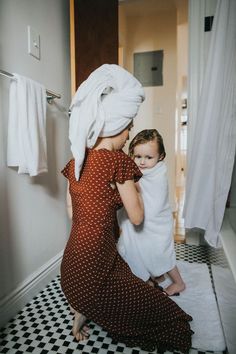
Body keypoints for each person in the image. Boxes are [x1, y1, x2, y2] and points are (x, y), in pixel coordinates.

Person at [61, 64, 193, 353]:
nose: (130, 132)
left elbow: (74, 212)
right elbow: (136, 217)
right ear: (118, 126)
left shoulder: (75, 163)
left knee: (126, 278)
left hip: (70, 272)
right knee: (170, 316)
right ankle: (93, 302)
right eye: (130, 125)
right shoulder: (117, 162)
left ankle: (84, 307)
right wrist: (134, 193)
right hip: (95, 270)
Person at [117, 129, 186, 296]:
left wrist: (134, 186)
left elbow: (154, 200)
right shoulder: (137, 170)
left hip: (156, 222)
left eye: (149, 157)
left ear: (160, 156)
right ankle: (152, 276)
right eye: (138, 156)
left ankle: (178, 283)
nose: (142, 162)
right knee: (140, 251)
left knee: (161, 253)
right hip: (141, 220)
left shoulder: (158, 173)